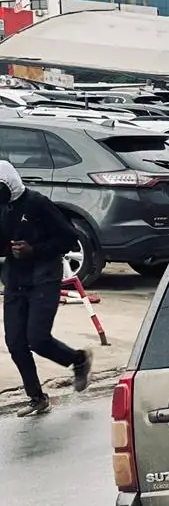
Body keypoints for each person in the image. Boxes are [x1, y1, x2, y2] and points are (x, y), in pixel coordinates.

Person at [0, 161, 92, 417]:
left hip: (44, 278)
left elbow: (69, 238)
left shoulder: (37, 203)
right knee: (15, 343)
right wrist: (9, 249)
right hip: (15, 280)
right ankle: (36, 398)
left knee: (38, 339)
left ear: (9, 184)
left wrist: (34, 250)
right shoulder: (2, 209)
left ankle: (78, 360)